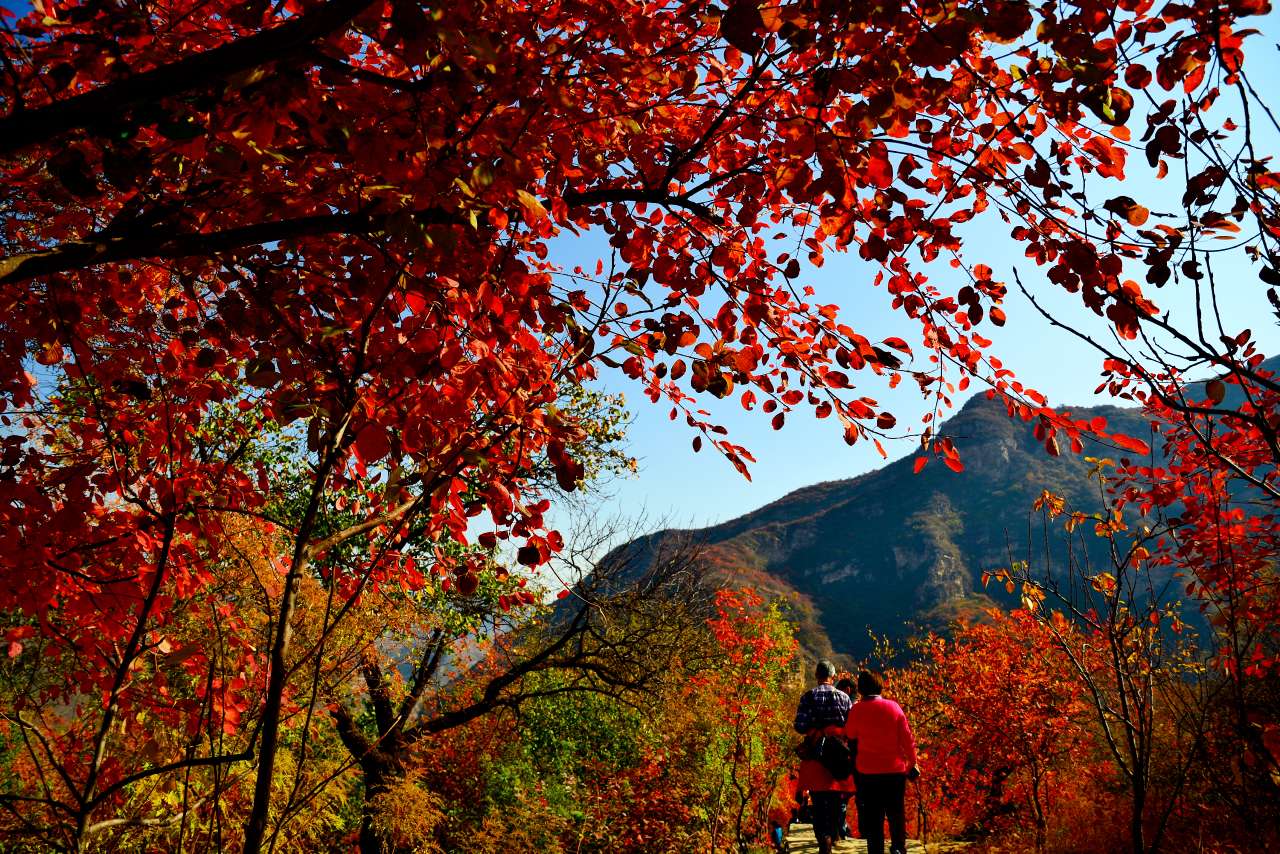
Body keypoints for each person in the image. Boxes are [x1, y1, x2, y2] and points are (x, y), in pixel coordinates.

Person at [844, 670, 919, 854]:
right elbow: (907, 739)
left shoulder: (857, 710)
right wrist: (913, 762)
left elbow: (850, 735)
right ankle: (898, 848)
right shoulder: (894, 707)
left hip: (867, 772)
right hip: (894, 771)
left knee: (873, 816)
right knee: (896, 813)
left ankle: (876, 850)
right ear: (880, 686)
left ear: (860, 689)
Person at [794, 659, 852, 854]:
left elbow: (799, 726)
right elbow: (851, 729)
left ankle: (823, 839)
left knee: (818, 800)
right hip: (838, 756)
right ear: (833, 676)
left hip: (816, 755)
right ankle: (834, 833)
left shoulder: (808, 697)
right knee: (837, 798)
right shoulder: (844, 698)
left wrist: (815, 730)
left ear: (817, 676)